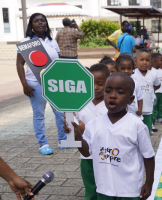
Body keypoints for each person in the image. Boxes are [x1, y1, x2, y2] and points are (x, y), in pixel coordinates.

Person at [71, 72, 155, 200]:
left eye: (120, 92)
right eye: (108, 91)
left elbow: (148, 156)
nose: (113, 96)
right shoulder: (93, 125)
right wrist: (77, 135)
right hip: (104, 188)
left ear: (131, 99)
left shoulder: (137, 125)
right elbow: (87, 152)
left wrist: (149, 182)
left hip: (129, 190)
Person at [16, 13, 66, 155]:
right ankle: (43, 144)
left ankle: (63, 140)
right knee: (39, 114)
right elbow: (20, 64)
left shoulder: (52, 41)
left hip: (53, 83)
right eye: (36, 21)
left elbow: (58, 62)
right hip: (35, 84)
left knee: (60, 112)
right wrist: (24, 84)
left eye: (42, 20)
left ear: (46, 23)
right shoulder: (27, 41)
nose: (40, 23)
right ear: (31, 24)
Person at [64, 64, 109, 200]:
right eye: (91, 83)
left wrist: (84, 128)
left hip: (106, 154)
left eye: (100, 84)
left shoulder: (111, 104)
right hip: (87, 155)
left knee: (106, 187)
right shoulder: (80, 103)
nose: (95, 87)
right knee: (90, 187)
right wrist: (70, 128)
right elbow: (74, 126)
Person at [132, 49, 161, 134]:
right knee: (136, 132)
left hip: (148, 109)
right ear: (135, 61)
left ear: (151, 62)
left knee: (146, 131)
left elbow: (157, 85)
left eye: (147, 60)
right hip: (135, 110)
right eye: (141, 60)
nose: (145, 62)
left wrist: (150, 91)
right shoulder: (133, 75)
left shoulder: (153, 74)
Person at [116, 54, 143, 120]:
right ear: (117, 69)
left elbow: (140, 98)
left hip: (134, 115)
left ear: (133, 69)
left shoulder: (135, 83)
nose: (126, 71)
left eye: (129, 68)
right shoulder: (115, 83)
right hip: (120, 116)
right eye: (123, 68)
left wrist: (140, 109)